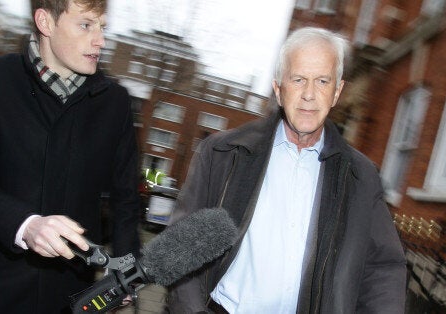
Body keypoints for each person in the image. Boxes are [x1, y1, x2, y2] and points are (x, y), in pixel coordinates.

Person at [165, 27, 407, 313]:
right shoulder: (224, 154)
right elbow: (181, 250)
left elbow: (383, 268)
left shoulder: (361, 177)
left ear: (337, 92)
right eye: (298, 79)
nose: (309, 94)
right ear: (279, 89)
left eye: (322, 81)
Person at [0, 0, 141, 312]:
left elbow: (125, 199)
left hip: (66, 297)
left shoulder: (117, 103)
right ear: (46, 22)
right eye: (86, 25)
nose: (101, 40)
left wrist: (125, 266)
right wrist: (25, 225)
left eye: (102, 27)